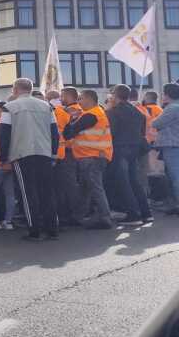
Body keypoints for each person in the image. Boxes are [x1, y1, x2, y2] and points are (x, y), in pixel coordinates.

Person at [0, 78, 60, 241]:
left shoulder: (9, 107)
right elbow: (55, 132)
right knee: (47, 191)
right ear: (31, 89)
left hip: (21, 153)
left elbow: (4, 134)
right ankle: (52, 229)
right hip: (44, 152)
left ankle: (34, 230)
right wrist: (53, 153)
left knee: (27, 193)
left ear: (15, 89)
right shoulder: (47, 106)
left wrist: (3, 158)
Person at [61, 90, 115, 229]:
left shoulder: (91, 115)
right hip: (93, 155)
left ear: (89, 99)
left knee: (95, 188)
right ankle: (78, 216)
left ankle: (104, 218)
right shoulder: (95, 113)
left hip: (92, 156)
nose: (78, 102)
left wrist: (72, 118)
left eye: (80, 99)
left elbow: (69, 133)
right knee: (86, 188)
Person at [104, 84, 152, 226]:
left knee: (123, 182)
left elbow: (111, 133)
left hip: (119, 149)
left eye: (112, 94)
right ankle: (146, 213)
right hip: (135, 149)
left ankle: (133, 215)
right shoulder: (137, 112)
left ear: (115, 95)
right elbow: (142, 132)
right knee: (134, 181)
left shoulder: (112, 112)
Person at [53, 88, 84, 226]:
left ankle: (72, 215)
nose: (60, 98)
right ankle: (72, 213)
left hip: (67, 151)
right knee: (69, 184)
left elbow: (65, 130)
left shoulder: (69, 111)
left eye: (62, 96)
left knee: (68, 185)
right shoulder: (77, 110)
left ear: (67, 96)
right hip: (72, 150)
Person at [152, 83, 179, 215]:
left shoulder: (172, 108)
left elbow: (156, 123)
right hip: (174, 144)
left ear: (168, 94)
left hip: (172, 145)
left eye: (163, 93)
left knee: (175, 177)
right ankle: (174, 204)